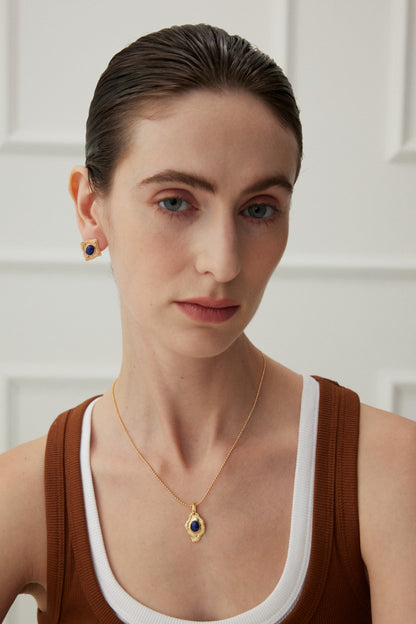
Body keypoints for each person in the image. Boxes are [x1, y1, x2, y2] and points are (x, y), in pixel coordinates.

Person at [0, 23, 415, 624]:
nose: (223, 262)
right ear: (91, 210)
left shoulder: (389, 472)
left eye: (259, 209)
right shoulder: (25, 495)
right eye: (175, 202)